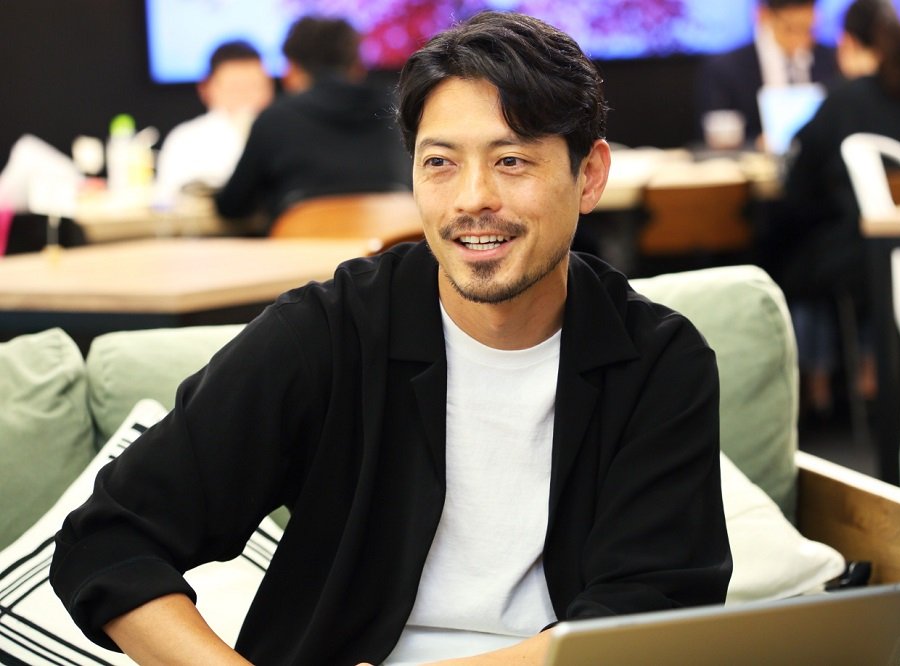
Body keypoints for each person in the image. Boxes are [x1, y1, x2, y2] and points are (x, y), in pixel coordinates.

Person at [49, 11, 731, 666]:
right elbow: (107, 538)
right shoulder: (330, 333)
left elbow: (652, 612)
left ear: (589, 175)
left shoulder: (657, 361)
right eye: (440, 163)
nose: (472, 198)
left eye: (512, 160)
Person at [770, 0, 900, 416]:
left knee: (792, 254)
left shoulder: (842, 100)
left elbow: (797, 190)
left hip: (867, 261)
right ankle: (868, 372)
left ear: (847, 43)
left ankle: (818, 386)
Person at [213, 16, 411, 229]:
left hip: (299, 250)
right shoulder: (399, 112)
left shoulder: (274, 119)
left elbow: (231, 206)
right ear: (358, 66)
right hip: (390, 246)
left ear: (292, 70)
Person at [696, 0, 840, 146]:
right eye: (790, 29)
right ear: (764, 16)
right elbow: (719, 136)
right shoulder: (727, 69)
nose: (801, 39)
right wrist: (754, 143)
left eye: (809, 30)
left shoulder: (832, 59)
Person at [154, 40, 274, 208]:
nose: (246, 97)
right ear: (206, 88)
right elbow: (166, 201)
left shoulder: (283, 134)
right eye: (235, 88)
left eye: (255, 86)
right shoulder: (185, 139)